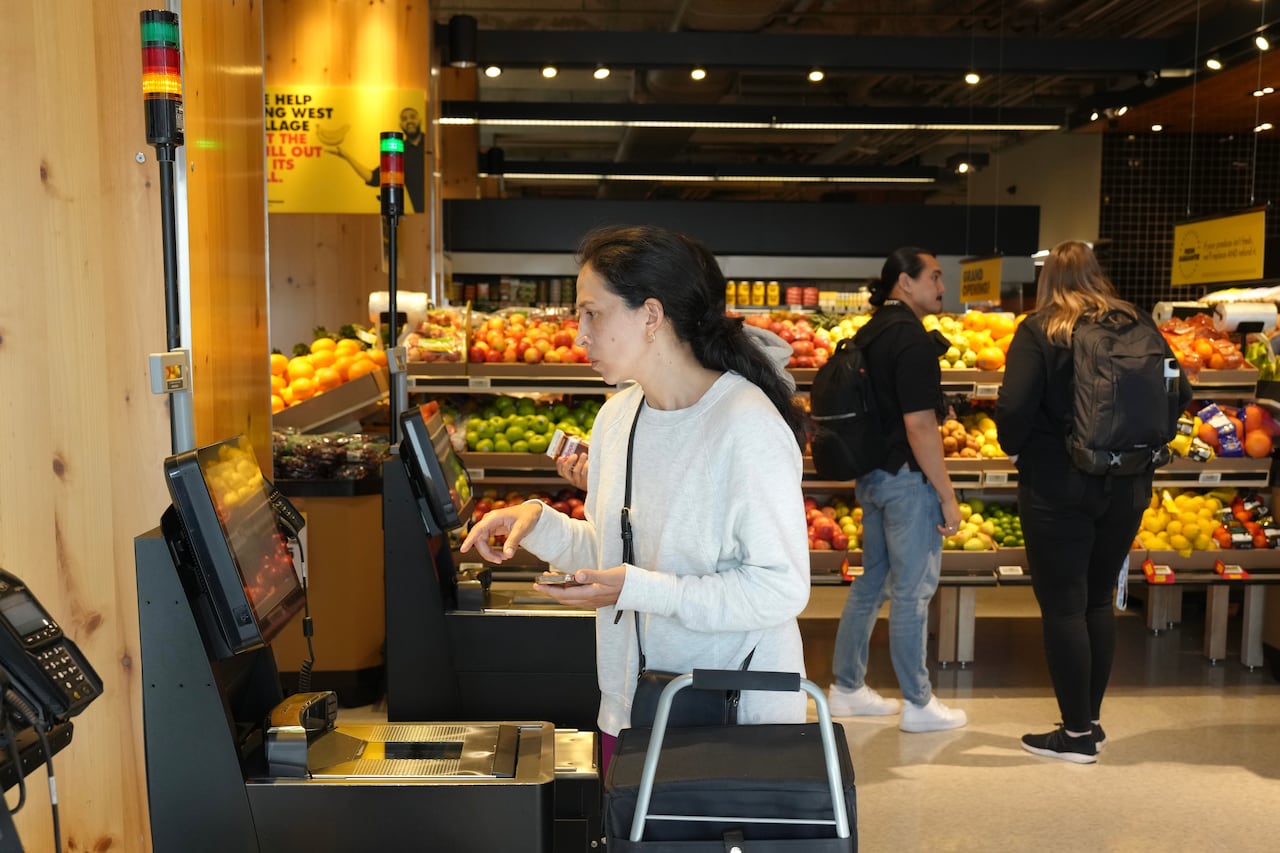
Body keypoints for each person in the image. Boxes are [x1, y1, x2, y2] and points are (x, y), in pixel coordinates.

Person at [461, 225, 811, 774]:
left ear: (651, 316)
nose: (580, 335)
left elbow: (779, 589)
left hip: (730, 715)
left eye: (592, 313)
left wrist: (638, 588)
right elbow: (620, 555)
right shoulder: (618, 418)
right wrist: (538, 524)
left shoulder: (747, 426)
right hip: (629, 704)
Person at [995, 240, 1192, 763]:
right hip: (1128, 482)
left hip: (1058, 484)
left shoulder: (1040, 329)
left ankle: (1076, 735)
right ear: (1096, 274)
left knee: (1064, 606)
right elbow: (1181, 390)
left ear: (1048, 280)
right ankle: (1091, 720)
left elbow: (1014, 406)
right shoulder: (1137, 322)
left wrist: (1016, 445)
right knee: (1099, 600)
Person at [828, 247, 968, 733]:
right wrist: (946, 494)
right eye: (935, 277)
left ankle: (847, 688)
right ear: (905, 282)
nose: (942, 287)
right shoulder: (910, 338)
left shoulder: (872, 331)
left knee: (871, 583)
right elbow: (919, 425)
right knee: (912, 591)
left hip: (872, 478)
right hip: (907, 480)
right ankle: (919, 702)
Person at [326, 106, 426, 213]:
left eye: (412, 117)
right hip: (422, 214)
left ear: (420, 120)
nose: (409, 121)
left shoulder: (432, 144)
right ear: (401, 125)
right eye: (404, 119)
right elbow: (373, 178)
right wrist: (346, 157)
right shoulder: (399, 151)